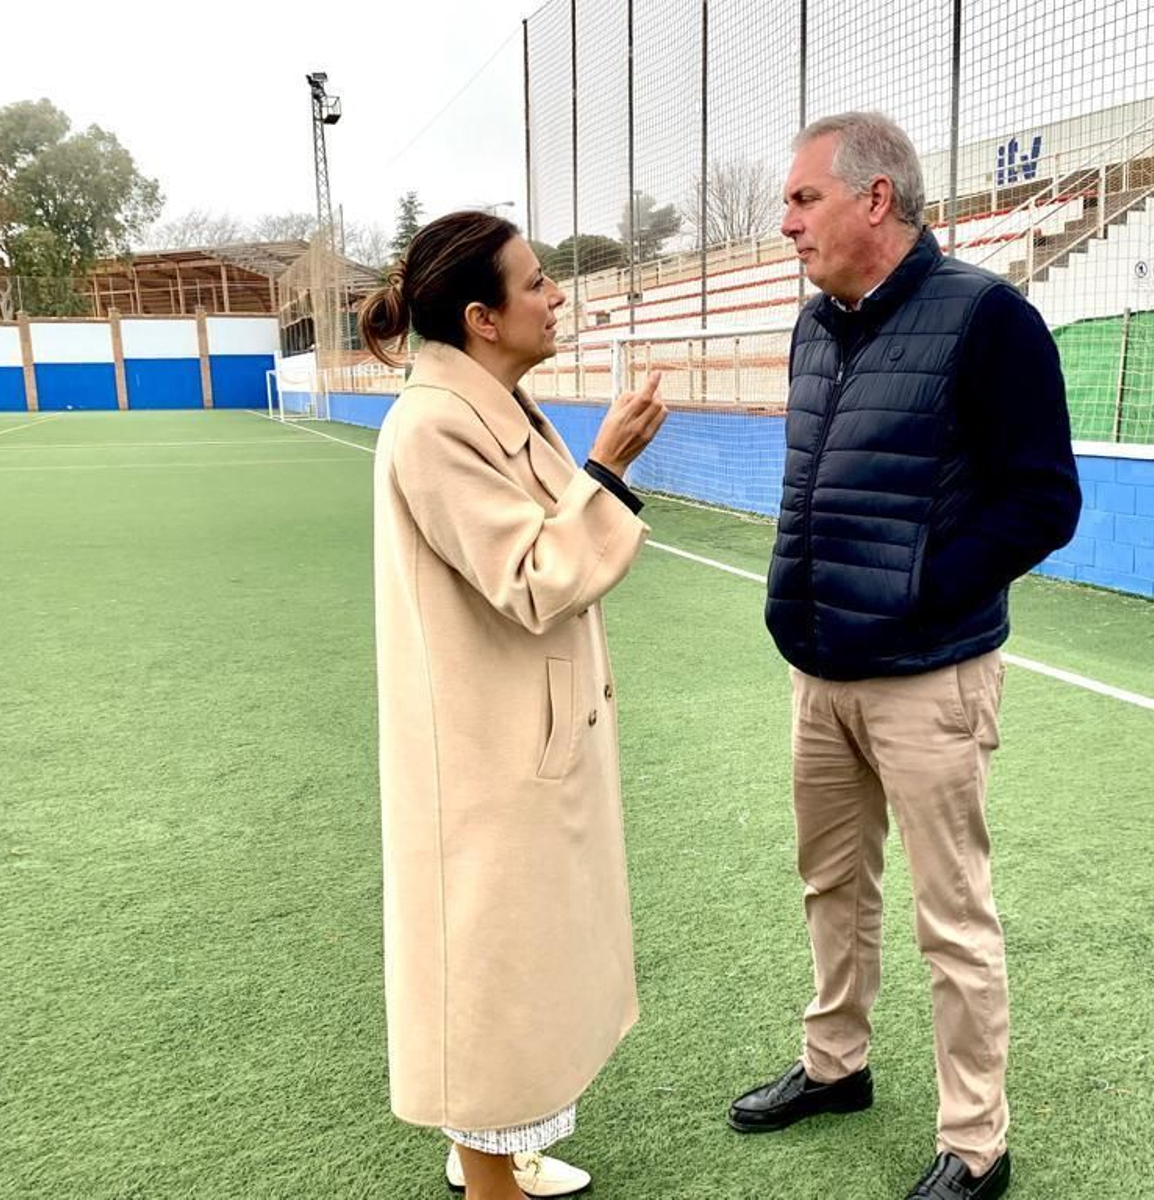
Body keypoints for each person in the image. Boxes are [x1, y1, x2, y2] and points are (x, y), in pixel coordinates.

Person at [727, 113, 1081, 1200]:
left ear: (875, 199)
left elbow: (1043, 503)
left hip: (930, 676)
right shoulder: (813, 325)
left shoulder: (989, 319)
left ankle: (977, 1141)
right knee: (831, 883)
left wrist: (923, 587)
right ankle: (836, 1067)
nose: (784, 224)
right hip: (821, 667)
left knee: (951, 914)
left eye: (801, 200)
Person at [363, 210, 667, 1200]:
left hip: (523, 741)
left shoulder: (498, 406)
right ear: (483, 317)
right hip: (485, 763)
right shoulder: (434, 426)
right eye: (537, 283)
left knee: (522, 977)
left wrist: (596, 472)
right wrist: (610, 468)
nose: (557, 297)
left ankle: (490, 1158)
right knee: (491, 987)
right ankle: (485, 1171)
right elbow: (533, 575)